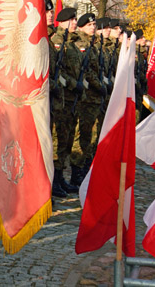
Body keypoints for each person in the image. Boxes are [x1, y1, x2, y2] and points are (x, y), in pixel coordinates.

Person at [49, 7, 81, 196]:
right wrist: (70, 83)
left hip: (69, 99)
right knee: (56, 141)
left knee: (65, 140)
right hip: (59, 98)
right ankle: (53, 181)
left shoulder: (71, 42)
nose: (74, 22)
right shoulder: (57, 42)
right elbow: (58, 72)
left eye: (75, 19)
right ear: (63, 22)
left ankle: (60, 178)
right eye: (71, 19)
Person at [69, 13, 103, 185]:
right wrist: (99, 85)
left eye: (94, 25)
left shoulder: (94, 45)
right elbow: (87, 71)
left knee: (91, 135)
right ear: (82, 27)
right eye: (89, 25)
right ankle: (76, 173)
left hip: (94, 98)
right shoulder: (80, 44)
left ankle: (84, 169)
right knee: (80, 136)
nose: (93, 27)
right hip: (85, 97)